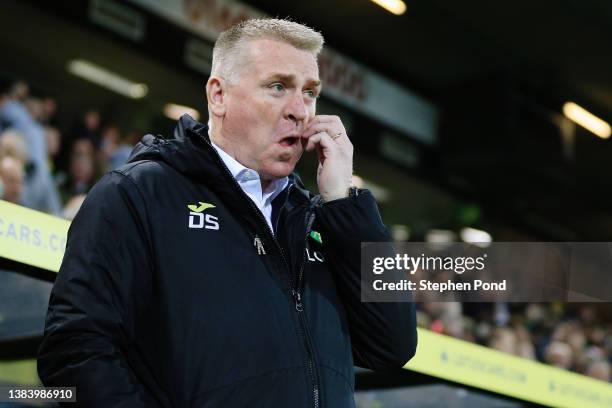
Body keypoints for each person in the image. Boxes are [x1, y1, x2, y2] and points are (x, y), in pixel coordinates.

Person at [37, 18, 417, 407]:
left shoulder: (323, 220)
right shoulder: (139, 193)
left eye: (310, 92)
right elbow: (75, 353)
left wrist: (344, 203)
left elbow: (393, 347)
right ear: (218, 95)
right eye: (278, 87)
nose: (300, 111)